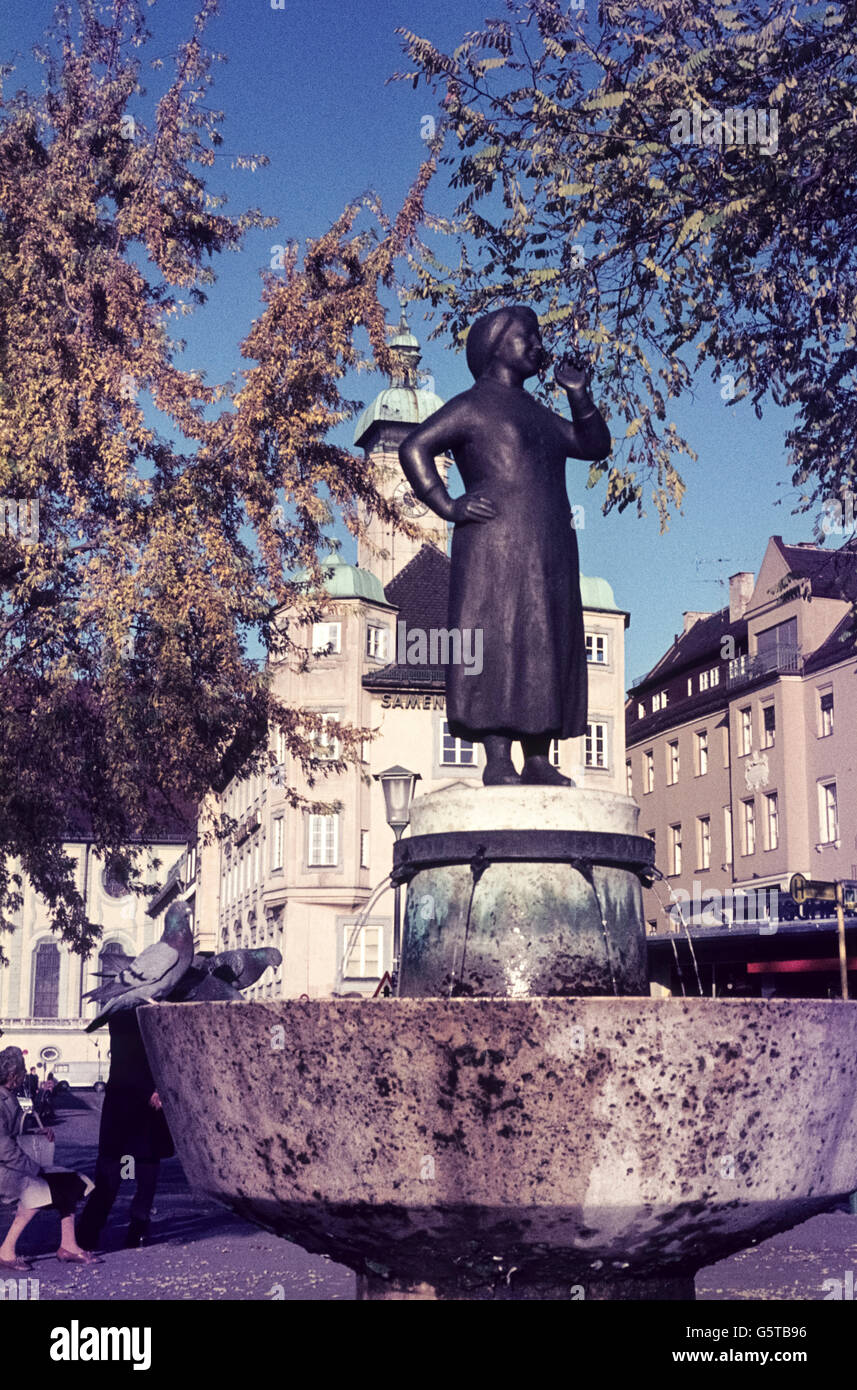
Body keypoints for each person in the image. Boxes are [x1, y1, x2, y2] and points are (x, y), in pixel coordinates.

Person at [398, 304, 611, 786]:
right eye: (528, 336)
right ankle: (497, 757)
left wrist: (579, 395)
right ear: (497, 345)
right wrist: (446, 504)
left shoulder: (538, 413)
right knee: (495, 638)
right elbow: (415, 447)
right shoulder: (472, 404)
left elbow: (594, 445)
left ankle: (538, 756)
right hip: (491, 545)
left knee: (543, 639)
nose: (539, 345)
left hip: (547, 544)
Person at [77, 1010, 174, 1251]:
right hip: (138, 1109)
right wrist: (158, 1088)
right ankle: (129, 1231)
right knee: (137, 1178)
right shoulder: (146, 1015)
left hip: (125, 1109)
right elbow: (154, 1057)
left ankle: (89, 1235)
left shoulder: (121, 1014)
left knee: (120, 1177)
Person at [0, 1046, 97, 1269]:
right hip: (6, 1170)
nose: (25, 1076)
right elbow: (3, 1148)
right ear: (14, 1075)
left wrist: (37, 1133)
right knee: (36, 1188)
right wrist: (35, 1168)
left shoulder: (9, 1097)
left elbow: (15, 1136)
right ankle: (6, 1251)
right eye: (23, 1072)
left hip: (13, 1166)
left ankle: (69, 1246)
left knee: (70, 1182)